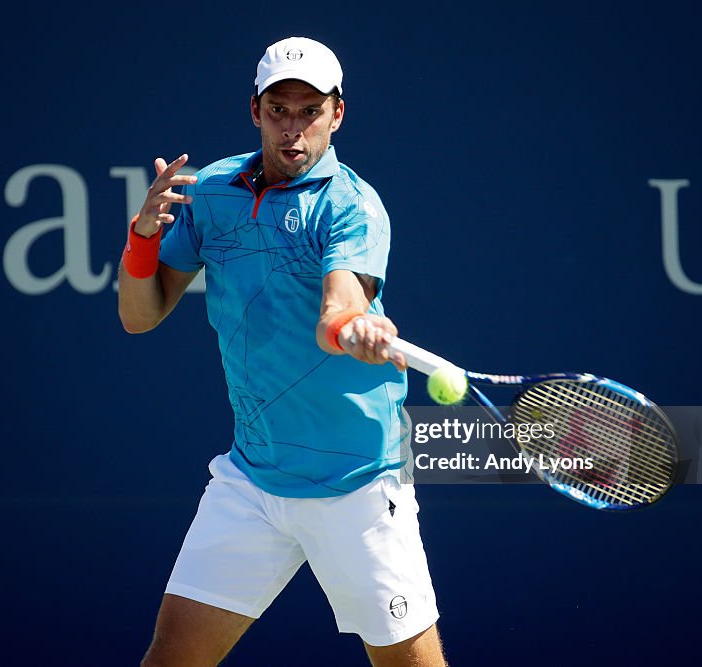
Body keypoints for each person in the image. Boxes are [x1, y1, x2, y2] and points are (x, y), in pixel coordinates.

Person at [118, 36, 446, 667]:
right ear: (255, 111)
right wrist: (142, 236)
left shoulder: (352, 206)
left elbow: (337, 309)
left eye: (310, 111)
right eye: (279, 111)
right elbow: (141, 315)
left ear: (336, 114)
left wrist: (354, 329)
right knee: (171, 658)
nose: (293, 129)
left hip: (356, 483)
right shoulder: (211, 191)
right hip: (252, 479)